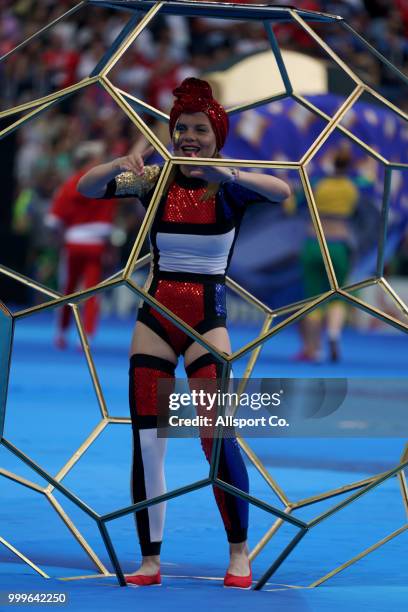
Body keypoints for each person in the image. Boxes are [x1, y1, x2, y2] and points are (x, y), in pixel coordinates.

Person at [77, 78, 291, 588]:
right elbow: (86, 187)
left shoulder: (231, 186)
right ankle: (150, 559)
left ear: (218, 135)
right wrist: (117, 166)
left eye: (199, 129)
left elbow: (283, 192)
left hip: (206, 322)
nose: (188, 136)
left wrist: (227, 171)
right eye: (181, 129)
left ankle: (239, 553)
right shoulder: (153, 180)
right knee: (147, 442)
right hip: (155, 319)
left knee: (215, 439)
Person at [45, 142, 118, 348]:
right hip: (94, 245)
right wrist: (110, 246)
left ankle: (61, 332)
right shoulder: (104, 183)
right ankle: (86, 336)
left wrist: (62, 239)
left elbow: (54, 220)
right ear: (90, 160)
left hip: (74, 243)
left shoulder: (70, 184)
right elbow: (108, 221)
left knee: (68, 290)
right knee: (91, 292)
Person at [297, 146, 359, 362]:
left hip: (314, 243)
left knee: (313, 298)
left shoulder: (317, 184)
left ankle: (314, 349)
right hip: (339, 246)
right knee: (338, 294)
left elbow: (297, 204)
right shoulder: (353, 187)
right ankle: (333, 333)